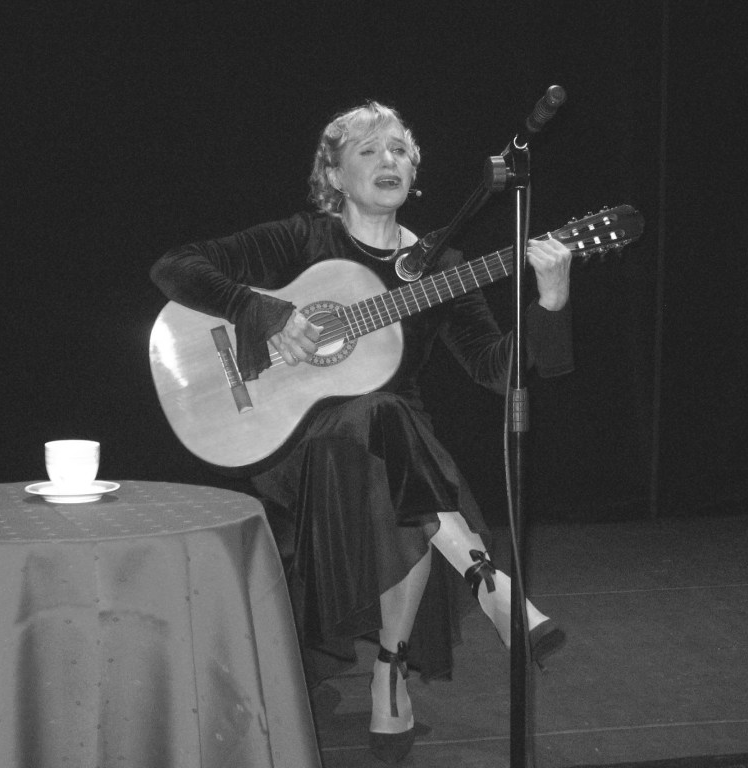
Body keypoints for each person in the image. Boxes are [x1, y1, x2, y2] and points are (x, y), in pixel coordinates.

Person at [151, 101, 573, 763]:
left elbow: (496, 369)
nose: (389, 161)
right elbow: (175, 266)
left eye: (400, 150)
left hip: (391, 448)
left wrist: (549, 303)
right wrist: (263, 313)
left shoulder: (442, 265)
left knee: (388, 430)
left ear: (415, 174)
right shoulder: (303, 241)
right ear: (334, 175)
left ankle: (390, 669)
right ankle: (490, 584)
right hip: (296, 444)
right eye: (370, 150)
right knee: (387, 421)